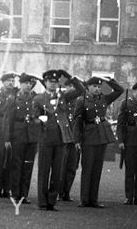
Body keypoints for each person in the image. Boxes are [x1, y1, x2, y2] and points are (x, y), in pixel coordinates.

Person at [33, 69, 84, 211]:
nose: (53, 84)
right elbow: (34, 118)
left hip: (62, 138)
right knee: (44, 171)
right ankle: (42, 202)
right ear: (45, 83)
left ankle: (51, 201)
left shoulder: (63, 96)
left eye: (56, 82)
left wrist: (69, 77)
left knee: (57, 171)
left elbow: (80, 89)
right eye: (50, 82)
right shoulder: (38, 98)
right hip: (46, 137)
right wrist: (40, 119)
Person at [72, 76, 124, 208]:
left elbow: (119, 90)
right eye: (94, 86)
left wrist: (110, 80)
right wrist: (77, 140)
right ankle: (84, 199)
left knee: (97, 169)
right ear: (88, 87)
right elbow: (77, 122)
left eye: (99, 87)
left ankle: (93, 199)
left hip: (101, 136)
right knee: (87, 169)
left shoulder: (104, 98)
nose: (97, 89)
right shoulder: (81, 100)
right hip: (88, 137)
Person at [4, 73, 41, 204]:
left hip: (31, 135)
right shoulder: (13, 98)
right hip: (18, 134)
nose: (28, 86)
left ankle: (24, 194)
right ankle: (15, 193)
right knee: (16, 164)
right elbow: (8, 119)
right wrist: (8, 138)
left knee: (28, 166)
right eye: (26, 83)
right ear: (20, 84)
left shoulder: (35, 97)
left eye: (30, 83)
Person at [58, 79, 79, 202]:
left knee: (72, 167)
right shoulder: (62, 100)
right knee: (61, 166)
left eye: (72, 86)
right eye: (69, 86)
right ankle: (59, 192)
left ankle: (66, 192)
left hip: (74, 138)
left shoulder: (79, 102)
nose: (71, 88)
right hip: (63, 138)